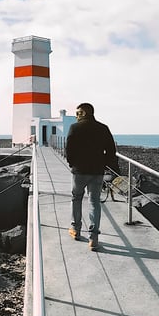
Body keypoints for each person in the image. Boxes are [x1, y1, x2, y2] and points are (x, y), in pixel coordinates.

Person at [65, 103, 117, 251]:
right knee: (94, 201)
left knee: (76, 198)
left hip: (79, 171)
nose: (76, 116)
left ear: (84, 113)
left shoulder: (75, 128)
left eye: (77, 113)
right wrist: (103, 164)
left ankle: (75, 229)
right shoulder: (103, 128)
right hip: (97, 171)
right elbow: (111, 151)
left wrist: (72, 163)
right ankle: (93, 238)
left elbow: (69, 148)